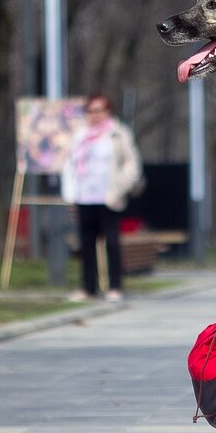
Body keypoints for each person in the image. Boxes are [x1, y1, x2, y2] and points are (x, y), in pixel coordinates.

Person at [60, 93, 143, 303]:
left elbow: (132, 164)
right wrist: (70, 192)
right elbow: (69, 163)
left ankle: (115, 287)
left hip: (109, 197)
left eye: (99, 110)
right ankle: (88, 287)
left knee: (112, 244)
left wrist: (119, 188)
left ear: (108, 111)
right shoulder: (80, 135)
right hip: (84, 196)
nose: (95, 115)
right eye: (91, 111)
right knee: (86, 244)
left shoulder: (117, 133)